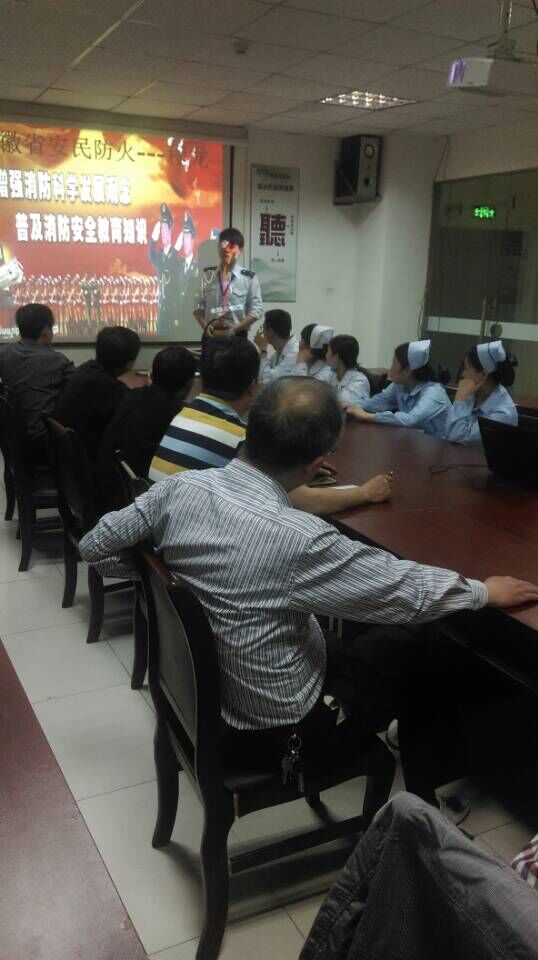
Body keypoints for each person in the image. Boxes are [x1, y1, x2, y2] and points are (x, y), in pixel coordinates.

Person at [79, 378, 538, 804]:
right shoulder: (299, 539)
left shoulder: (180, 488)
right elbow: (406, 591)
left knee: (372, 628)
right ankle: (423, 801)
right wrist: (483, 591)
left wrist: (156, 576)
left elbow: (95, 545)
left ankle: (423, 789)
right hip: (281, 733)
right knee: (420, 640)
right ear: (318, 461)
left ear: (250, 428)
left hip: (205, 696)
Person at [150, 337, 393, 514]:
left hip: (162, 536)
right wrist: (365, 493)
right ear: (253, 385)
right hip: (188, 543)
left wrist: (290, 464)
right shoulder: (238, 437)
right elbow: (305, 502)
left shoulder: (185, 414)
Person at [97, 345, 196, 509]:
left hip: (112, 490)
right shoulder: (180, 415)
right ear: (189, 383)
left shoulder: (131, 395)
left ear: (152, 374)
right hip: (140, 500)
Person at [53, 325, 140, 462]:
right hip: (88, 460)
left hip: (66, 457)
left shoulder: (86, 368)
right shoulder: (111, 388)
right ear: (129, 364)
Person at [0, 302, 73, 464]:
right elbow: (77, 394)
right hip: (45, 442)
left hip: (12, 439)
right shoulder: (58, 361)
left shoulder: (3, 354)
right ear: (45, 331)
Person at [345, 339, 451, 438]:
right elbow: (378, 402)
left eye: (394, 364)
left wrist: (368, 416)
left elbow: (411, 419)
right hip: (415, 441)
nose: (390, 368)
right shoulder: (399, 385)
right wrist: (348, 404)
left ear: (407, 371)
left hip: (442, 446)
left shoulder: (433, 392)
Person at [193, 227, 263, 338]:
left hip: (237, 336)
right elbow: (197, 306)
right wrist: (205, 326)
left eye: (231, 246)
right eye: (223, 245)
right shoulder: (207, 277)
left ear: (240, 250)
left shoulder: (249, 278)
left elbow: (257, 310)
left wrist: (234, 329)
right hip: (211, 335)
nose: (226, 250)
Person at [445, 340, 518, 445]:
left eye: (466, 368)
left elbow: (456, 437)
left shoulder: (503, 414)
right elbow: (447, 432)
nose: (463, 374)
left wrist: (460, 399)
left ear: (483, 374)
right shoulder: (473, 394)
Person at [149, 203, 182, 337]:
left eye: (165, 230)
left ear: (170, 231)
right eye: (161, 231)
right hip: (162, 309)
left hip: (173, 309)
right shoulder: (160, 256)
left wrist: (174, 251)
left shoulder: (175, 256)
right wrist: (153, 240)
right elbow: (151, 256)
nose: (163, 234)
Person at [254, 309, 299, 382]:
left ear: (271, 332)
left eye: (263, 328)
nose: (261, 332)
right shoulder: (279, 352)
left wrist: (263, 350)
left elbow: (267, 379)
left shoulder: (295, 353)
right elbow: (260, 374)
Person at [326, 334, 370, 405]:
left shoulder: (359, 381)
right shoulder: (332, 376)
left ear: (336, 357)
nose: (326, 355)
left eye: (328, 351)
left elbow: (344, 404)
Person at [176, 211, 199, 330]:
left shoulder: (199, 266)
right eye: (183, 238)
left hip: (193, 321)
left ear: (193, 240)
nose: (185, 242)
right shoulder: (177, 265)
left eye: (188, 237)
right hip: (177, 320)